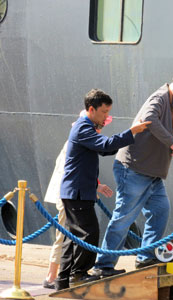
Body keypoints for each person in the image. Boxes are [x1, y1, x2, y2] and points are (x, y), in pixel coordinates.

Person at [93, 73, 173, 274]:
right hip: (133, 169)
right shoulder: (159, 98)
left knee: (160, 211)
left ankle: (146, 258)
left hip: (151, 172)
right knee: (124, 217)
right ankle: (103, 265)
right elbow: (149, 119)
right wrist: (172, 142)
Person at [54, 89, 151, 291]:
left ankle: (63, 280)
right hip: (77, 192)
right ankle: (78, 275)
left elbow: (105, 149)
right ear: (91, 109)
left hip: (77, 191)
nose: (106, 116)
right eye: (104, 112)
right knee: (88, 233)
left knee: (72, 237)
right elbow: (105, 144)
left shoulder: (86, 128)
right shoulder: (83, 128)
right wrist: (131, 132)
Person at [42, 113, 113, 289]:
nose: (101, 127)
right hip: (69, 195)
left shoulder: (77, 140)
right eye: (100, 124)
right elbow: (72, 172)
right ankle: (53, 276)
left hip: (71, 193)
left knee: (68, 235)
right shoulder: (78, 140)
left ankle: (59, 277)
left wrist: (96, 186)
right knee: (66, 235)